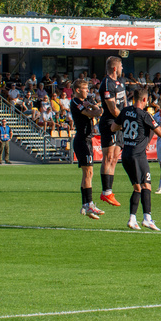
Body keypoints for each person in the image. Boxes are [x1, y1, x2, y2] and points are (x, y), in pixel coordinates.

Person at [112, 88, 161, 231]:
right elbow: (160, 132)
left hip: (126, 155)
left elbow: (113, 127)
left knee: (137, 188)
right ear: (144, 100)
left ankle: (132, 218)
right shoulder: (144, 115)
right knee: (146, 186)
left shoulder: (124, 111)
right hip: (138, 155)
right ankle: (147, 218)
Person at [70, 78, 105, 220]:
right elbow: (93, 114)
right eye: (85, 89)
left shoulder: (83, 102)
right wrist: (96, 108)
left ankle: (86, 205)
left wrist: (93, 106)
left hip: (87, 139)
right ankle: (89, 204)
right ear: (78, 90)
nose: (88, 91)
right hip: (82, 140)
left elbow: (97, 111)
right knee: (88, 172)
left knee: (88, 173)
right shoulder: (76, 102)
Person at [97, 56, 127, 207]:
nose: (122, 68)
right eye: (121, 66)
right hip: (110, 123)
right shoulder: (107, 83)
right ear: (115, 68)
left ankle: (109, 192)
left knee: (115, 157)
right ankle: (105, 192)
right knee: (108, 157)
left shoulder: (121, 83)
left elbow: (124, 103)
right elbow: (112, 109)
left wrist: (127, 115)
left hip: (120, 123)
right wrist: (125, 120)